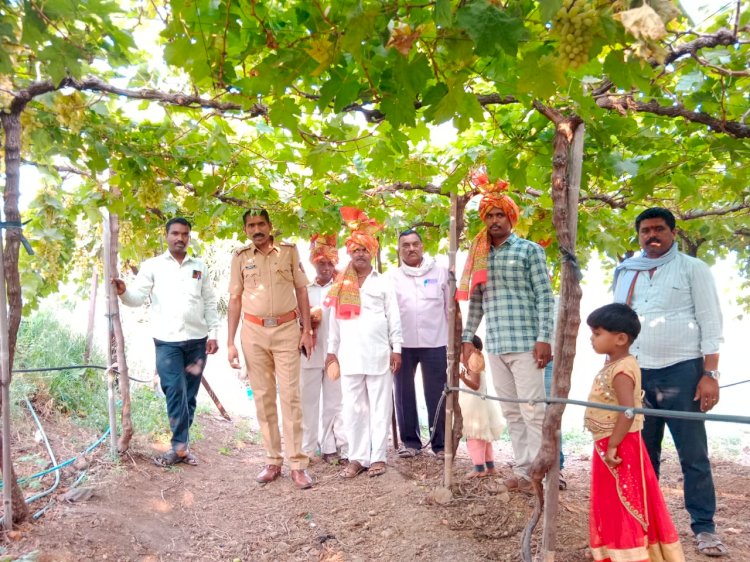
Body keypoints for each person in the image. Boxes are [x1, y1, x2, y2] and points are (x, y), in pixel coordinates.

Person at [612, 207, 726, 556]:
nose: (651, 236)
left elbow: (711, 321)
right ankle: (647, 525)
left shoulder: (694, 269)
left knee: (693, 454)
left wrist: (710, 375)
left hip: (683, 372)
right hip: (637, 373)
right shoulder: (626, 271)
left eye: (659, 229)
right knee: (643, 454)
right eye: (645, 230)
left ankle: (704, 527)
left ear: (674, 233)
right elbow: (617, 324)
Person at [458, 179, 554, 492]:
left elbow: (544, 295)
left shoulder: (529, 251)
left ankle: (545, 473)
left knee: (533, 410)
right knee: (512, 410)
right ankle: (525, 471)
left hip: (527, 344)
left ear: (511, 218)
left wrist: (545, 338)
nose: (495, 220)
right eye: (489, 215)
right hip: (497, 345)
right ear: (483, 220)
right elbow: (476, 302)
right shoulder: (480, 255)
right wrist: (466, 338)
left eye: (501, 215)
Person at [113, 217, 219, 467]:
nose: (180, 238)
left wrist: (213, 333)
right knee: (174, 389)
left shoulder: (199, 267)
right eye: (175, 233)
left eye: (184, 234)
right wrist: (123, 292)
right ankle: (179, 447)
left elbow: (210, 302)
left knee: (190, 396)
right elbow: (137, 297)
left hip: (197, 341)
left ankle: (181, 447)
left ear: (189, 237)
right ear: (166, 236)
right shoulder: (153, 266)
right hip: (167, 342)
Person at [584, 303, 685, 562]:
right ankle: (618, 550)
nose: (592, 339)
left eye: (597, 333)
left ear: (620, 339)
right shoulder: (617, 363)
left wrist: (614, 446)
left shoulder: (621, 369)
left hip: (617, 445)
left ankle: (629, 554)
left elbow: (627, 410)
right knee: (615, 498)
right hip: (609, 442)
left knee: (622, 499)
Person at [227, 209, 315, 490]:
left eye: (261, 223)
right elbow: (235, 299)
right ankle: (272, 461)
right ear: (245, 230)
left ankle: (298, 465)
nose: (257, 229)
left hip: (287, 330)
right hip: (252, 332)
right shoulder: (240, 257)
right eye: (251, 225)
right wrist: (230, 342)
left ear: (270, 225)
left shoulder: (288, 252)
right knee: (263, 398)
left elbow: (302, 291)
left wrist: (307, 330)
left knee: (291, 397)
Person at [325, 207, 403, 479]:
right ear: (349, 252)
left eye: (364, 249)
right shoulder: (339, 285)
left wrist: (397, 349)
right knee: (352, 409)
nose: (360, 253)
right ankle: (357, 458)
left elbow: (394, 317)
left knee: (380, 407)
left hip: (379, 354)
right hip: (349, 356)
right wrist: (331, 352)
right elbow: (333, 321)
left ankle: (378, 457)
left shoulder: (383, 283)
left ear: (372, 252)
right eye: (355, 249)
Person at [390, 228, 449, 459]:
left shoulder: (441, 272)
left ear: (422, 246)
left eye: (415, 244)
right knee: (403, 392)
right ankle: (410, 442)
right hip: (402, 345)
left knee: (437, 392)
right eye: (405, 245)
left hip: (435, 341)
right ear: (399, 249)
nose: (411, 248)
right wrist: (391, 346)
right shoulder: (392, 278)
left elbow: (449, 309)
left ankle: (440, 444)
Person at [299, 234, 348, 464]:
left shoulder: (340, 289)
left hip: (333, 353)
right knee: (308, 402)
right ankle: (308, 449)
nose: (326, 268)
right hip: (308, 354)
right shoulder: (303, 290)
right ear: (314, 263)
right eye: (321, 263)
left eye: (330, 263)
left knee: (333, 402)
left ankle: (329, 447)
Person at [458, 335, 504, 479]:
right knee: (484, 437)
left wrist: (463, 378)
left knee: (474, 437)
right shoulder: (475, 360)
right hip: (479, 403)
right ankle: (490, 466)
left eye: (465, 349)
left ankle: (479, 468)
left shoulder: (474, 361)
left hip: (473, 405)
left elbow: (476, 386)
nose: (462, 353)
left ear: (475, 349)